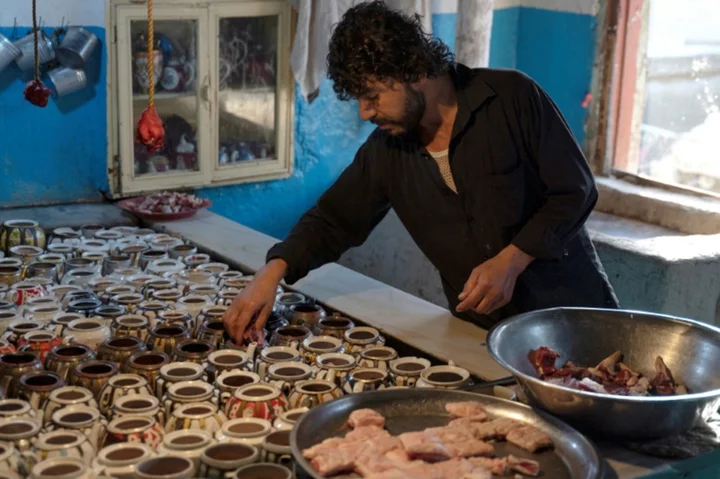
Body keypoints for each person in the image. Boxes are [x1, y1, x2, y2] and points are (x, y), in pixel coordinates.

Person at [223, 0, 619, 342]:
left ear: (414, 70)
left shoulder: (512, 98)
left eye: (371, 96)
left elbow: (576, 191)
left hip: (573, 325)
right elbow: (332, 219)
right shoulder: (387, 150)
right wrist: (271, 273)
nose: (364, 113)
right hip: (482, 335)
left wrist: (512, 260)